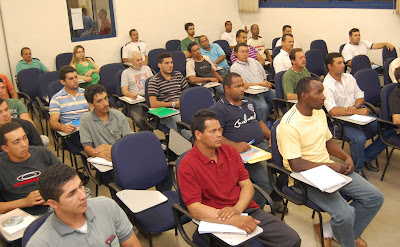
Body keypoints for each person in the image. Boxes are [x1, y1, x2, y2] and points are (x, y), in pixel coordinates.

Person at [277, 77, 384, 247]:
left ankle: (337, 232)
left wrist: (345, 157)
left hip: (327, 169)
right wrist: (329, 165)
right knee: (346, 214)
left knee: (374, 197)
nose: (324, 97)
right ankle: (346, 240)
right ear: (304, 95)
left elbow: (328, 142)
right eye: (318, 92)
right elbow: (296, 164)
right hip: (304, 177)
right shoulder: (289, 125)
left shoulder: (318, 112)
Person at [178, 109, 301, 247]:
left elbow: (247, 185)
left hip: (244, 209)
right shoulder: (187, 165)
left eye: (220, 130)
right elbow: (195, 209)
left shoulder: (230, 152)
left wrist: (237, 210)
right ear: (198, 135)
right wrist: (232, 220)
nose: (219, 135)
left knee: (292, 239)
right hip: (216, 219)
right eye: (213, 131)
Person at [209, 72, 286, 211]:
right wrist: (235, 145)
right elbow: (216, 136)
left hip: (261, 145)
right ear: (226, 88)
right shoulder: (218, 109)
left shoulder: (249, 102)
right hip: (243, 153)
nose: (242, 89)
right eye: (237, 86)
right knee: (264, 182)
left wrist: (271, 138)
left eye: (242, 85)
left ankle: (275, 199)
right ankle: (250, 211)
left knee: (286, 166)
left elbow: (260, 122)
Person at [27, 165, 142, 247]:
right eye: (72, 193)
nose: (83, 196)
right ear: (53, 203)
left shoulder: (107, 206)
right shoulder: (40, 243)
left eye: (81, 186)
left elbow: (132, 243)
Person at [323, 52, 395, 179]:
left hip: (358, 117)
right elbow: (333, 111)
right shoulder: (326, 85)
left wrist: (356, 107)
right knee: (359, 139)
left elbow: (360, 96)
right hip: (340, 122)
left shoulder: (349, 77)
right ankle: (358, 170)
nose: (343, 65)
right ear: (329, 66)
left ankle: (364, 158)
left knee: (389, 129)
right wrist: (357, 111)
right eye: (338, 63)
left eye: (343, 62)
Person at [0, 122, 63, 216]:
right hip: (22, 215)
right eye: (16, 142)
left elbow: (68, 178)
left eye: (25, 138)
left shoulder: (42, 153)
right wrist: (25, 202)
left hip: (55, 205)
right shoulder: (2, 168)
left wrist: (52, 193)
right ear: (5, 148)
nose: (24, 145)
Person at [230, 43, 275, 124]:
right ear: (236, 54)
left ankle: (266, 118)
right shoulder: (234, 68)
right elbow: (242, 85)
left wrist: (267, 83)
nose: (245, 54)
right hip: (250, 93)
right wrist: (260, 84)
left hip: (264, 89)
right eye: (242, 52)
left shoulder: (254, 62)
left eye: (247, 51)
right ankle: (261, 128)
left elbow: (264, 76)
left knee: (277, 96)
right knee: (262, 107)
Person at [49, 65, 89, 151]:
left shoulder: (85, 93)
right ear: (63, 82)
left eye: (76, 77)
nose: (75, 81)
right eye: (71, 79)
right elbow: (52, 122)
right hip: (75, 133)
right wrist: (62, 127)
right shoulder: (57, 99)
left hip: (90, 126)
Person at [147, 53, 189, 131]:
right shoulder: (154, 81)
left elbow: (187, 93)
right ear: (159, 65)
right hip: (167, 112)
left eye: (171, 62)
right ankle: (192, 141)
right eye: (167, 63)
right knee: (183, 127)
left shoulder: (178, 75)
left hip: (183, 107)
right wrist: (173, 104)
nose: (170, 65)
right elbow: (153, 103)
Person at [121, 50, 153, 131]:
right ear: (131, 62)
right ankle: (147, 132)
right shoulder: (126, 73)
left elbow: (154, 82)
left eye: (141, 59)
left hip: (149, 97)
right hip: (136, 100)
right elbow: (124, 90)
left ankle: (148, 129)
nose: (140, 62)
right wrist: (130, 95)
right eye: (137, 60)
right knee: (139, 119)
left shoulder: (147, 68)